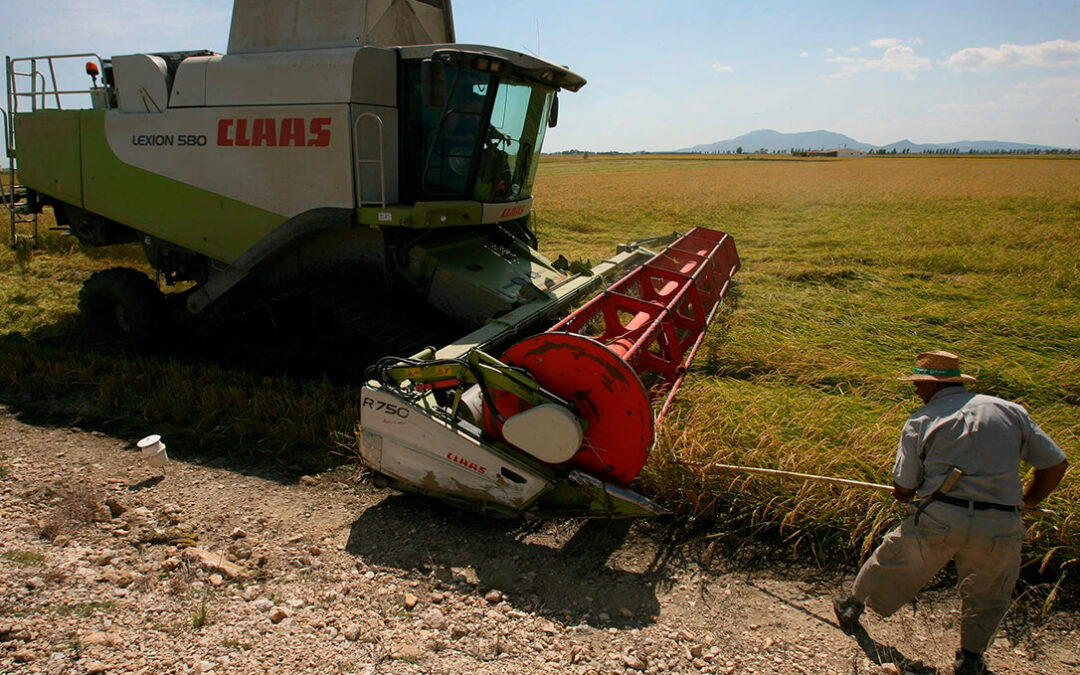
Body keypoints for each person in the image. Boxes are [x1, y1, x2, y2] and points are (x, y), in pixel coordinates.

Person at [833, 350, 1068, 675]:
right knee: (989, 591)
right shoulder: (1010, 412)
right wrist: (1028, 500)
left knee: (893, 558)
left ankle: (851, 606)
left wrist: (904, 493)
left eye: (918, 384)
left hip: (942, 517)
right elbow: (1055, 464)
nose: (916, 390)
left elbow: (905, 487)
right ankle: (970, 658)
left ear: (932, 386)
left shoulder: (921, 420)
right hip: (999, 524)